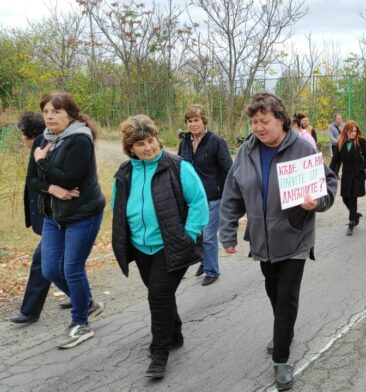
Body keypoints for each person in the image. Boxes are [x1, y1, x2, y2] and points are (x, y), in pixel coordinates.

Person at [218, 92, 337, 390]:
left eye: (264, 121)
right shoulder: (247, 151)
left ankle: (281, 359)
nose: (258, 127)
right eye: (254, 121)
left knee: (286, 299)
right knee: (274, 293)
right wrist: (228, 232)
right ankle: (284, 330)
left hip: (295, 236)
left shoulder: (302, 148)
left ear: (281, 120)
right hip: (262, 240)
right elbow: (232, 193)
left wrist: (318, 202)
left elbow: (329, 182)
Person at [112, 115, 209, 378]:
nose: (148, 147)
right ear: (130, 147)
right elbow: (118, 207)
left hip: (171, 247)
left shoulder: (177, 167)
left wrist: (187, 236)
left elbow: (199, 204)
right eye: (140, 143)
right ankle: (174, 334)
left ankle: (159, 353)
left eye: (151, 140)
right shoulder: (125, 172)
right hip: (141, 248)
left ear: (158, 139)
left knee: (158, 296)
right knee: (161, 295)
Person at [28, 91, 106, 348]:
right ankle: (88, 302)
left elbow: (69, 179)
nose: (49, 116)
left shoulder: (80, 140)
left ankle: (81, 323)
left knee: (71, 268)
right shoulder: (42, 139)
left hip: (83, 213)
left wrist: (42, 163)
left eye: (56, 111)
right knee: (51, 269)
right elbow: (32, 181)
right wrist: (51, 188)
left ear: (70, 114)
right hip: (54, 213)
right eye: (46, 111)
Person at [9, 112, 69, 324]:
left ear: (28, 135)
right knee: (60, 262)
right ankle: (81, 296)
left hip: (59, 216)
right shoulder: (41, 148)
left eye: (21, 135)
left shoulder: (47, 150)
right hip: (51, 217)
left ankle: (30, 311)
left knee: (41, 261)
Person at [177, 104, 233, 286]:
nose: (193, 124)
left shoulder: (216, 141)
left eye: (196, 120)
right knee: (197, 234)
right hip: (192, 199)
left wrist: (226, 195)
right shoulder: (184, 142)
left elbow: (228, 170)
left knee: (209, 236)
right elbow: (180, 167)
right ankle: (203, 260)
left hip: (213, 197)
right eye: (189, 121)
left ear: (204, 121)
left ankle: (211, 270)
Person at [336, 120, 366, 236]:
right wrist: (330, 174)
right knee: (345, 198)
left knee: (353, 199)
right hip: (346, 176)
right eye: (351, 131)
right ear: (346, 131)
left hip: (357, 176)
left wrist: (361, 168)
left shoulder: (361, 141)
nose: (353, 133)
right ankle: (355, 214)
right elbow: (335, 161)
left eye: (355, 131)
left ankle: (352, 223)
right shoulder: (340, 143)